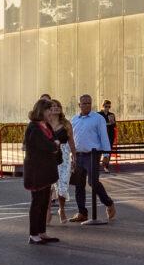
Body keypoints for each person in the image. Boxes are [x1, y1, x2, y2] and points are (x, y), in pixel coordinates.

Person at [70, 94, 116, 223]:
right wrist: (71, 156)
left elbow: (104, 137)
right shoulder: (74, 119)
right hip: (78, 155)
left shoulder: (98, 118)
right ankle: (82, 213)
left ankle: (109, 203)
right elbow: (72, 139)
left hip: (93, 155)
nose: (86, 105)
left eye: (89, 103)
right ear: (79, 105)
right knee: (79, 185)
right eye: (84, 103)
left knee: (93, 182)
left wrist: (106, 155)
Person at [23, 98, 62, 245]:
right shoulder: (33, 127)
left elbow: (56, 141)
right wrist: (54, 145)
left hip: (46, 171)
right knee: (37, 203)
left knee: (45, 202)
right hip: (36, 171)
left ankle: (42, 232)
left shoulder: (46, 126)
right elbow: (47, 145)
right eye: (48, 110)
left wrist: (55, 144)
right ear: (41, 111)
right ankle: (33, 234)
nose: (51, 113)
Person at [47, 100, 76, 223]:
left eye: (57, 106)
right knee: (48, 185)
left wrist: (74, 156)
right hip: (49, 156)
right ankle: (47, 211)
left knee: (63, 185)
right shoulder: (45, 123)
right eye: (53, 106)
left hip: (63, 156)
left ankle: (61, 209)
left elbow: (71, 141)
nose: (55, 108)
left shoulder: (66, 124)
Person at [98, 99, 117, 172]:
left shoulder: (111, 114)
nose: (107, 108)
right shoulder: (98, 114)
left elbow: (114, 125)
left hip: (110, 135)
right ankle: (97, 166)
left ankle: (106, 166)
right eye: (106, 106)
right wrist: (107, 124)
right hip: (101, 135)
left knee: (108, 151)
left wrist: (113, 122)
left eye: (109, 107)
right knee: (99, 151)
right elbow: (98, 125)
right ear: (102, 106)